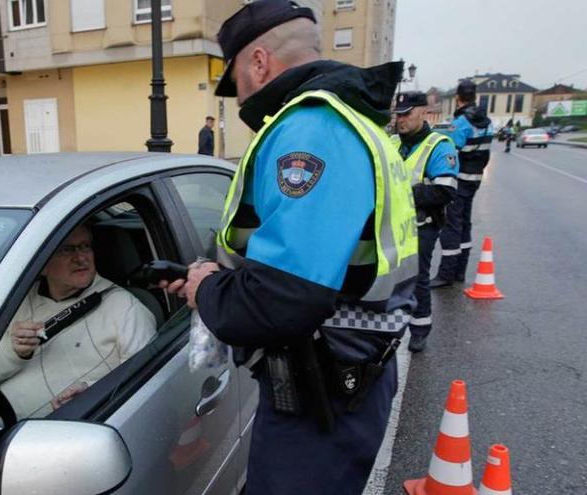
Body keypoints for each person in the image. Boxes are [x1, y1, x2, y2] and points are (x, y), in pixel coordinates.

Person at [163, 1, 417, 493]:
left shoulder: (311, 128)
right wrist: (217, 278)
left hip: (320, 393)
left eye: (235, 79)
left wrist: (206, 289)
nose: (238, 98)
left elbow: (285, 299)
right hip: (344, 376)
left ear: (259, 62)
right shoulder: (350, 120)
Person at [0, 224, 156, 418]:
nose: (81, 258)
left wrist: (91, 393)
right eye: (67, 249)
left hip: (62, 431)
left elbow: (144, 381)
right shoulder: (17, 300)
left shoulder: (126, 308)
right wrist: (14, 352)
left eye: (85, 247)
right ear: (43, 265)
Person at [392, 92, 459, 353]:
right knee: (390, 278)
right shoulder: (392, 142)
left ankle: (420, 330)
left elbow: (445, 190)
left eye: (407, 113)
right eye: (398, 114)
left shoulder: (439, 145)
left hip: (422, 226)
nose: (401, 119)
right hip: (392, 226)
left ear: (423, 112)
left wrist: (400, 193)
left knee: (417, 278)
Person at [431, 80, 493, 288]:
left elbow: (451, 151)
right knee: (465, 223)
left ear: (458, 97)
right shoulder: (487, 122)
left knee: (451, 225)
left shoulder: (461, 123)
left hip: (459, 179)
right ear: (475, 96)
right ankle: (459, 271)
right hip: (474, 179)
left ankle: (446, 273)